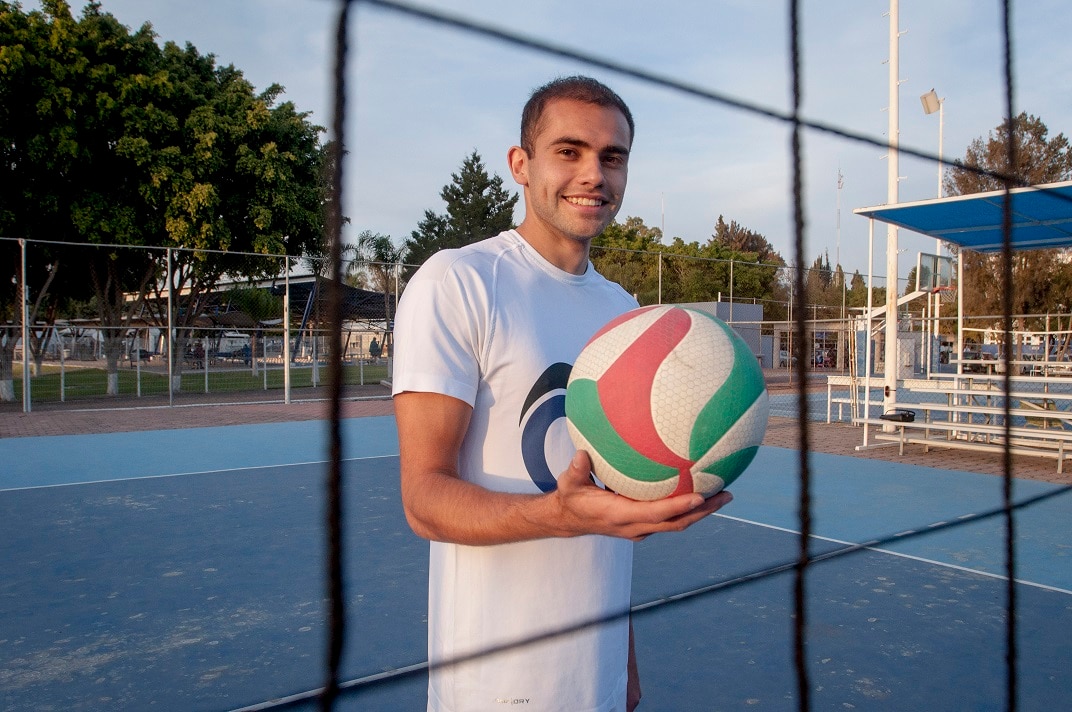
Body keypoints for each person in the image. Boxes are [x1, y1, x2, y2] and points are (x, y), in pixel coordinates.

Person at [392, 76, 733, 712]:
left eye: (612, 157)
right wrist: (560, 516)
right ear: (521, 164)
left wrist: (623, 666)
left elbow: (606, 510)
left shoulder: (626, 314)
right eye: (568, 151)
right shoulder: (460, 282)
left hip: (597, 682)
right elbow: (424, 501)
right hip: (491, 690)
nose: (593, 175)